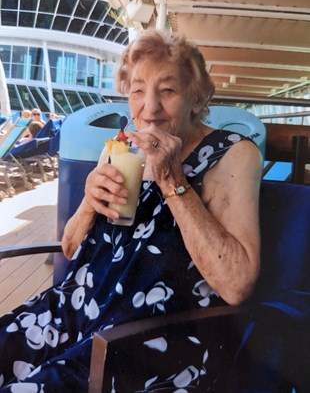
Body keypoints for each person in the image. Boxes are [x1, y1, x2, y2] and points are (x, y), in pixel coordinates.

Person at [0, 29, 262, 392]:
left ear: (196, 97)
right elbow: (71, 249)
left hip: (149, 336)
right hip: (75, 310)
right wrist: (89, 205)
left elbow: (237, 285)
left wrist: (172, 179)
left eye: (167, 91)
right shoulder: (121, 149)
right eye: (138, 90)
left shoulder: (232, 154)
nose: (150, 108)